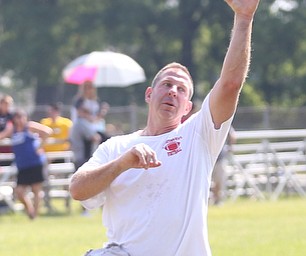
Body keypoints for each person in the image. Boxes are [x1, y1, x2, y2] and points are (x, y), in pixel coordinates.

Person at [69, 1, 260, 255]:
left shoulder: (198, 136)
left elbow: (230, 85)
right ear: (149, 94)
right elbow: (78, 190)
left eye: (181, 89)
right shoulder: (116, 147)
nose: (173, 91)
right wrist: (122, 163)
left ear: (187, 108)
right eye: (167, 84)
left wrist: (244, 18)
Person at [10, 109, 53, 219]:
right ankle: (30, 210)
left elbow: (47, 131)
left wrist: (39, 146)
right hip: (22, 165)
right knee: (19, 191)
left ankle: (34, 215)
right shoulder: (13, 130)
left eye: (21, 117)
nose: (19, 120)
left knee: (36, 190)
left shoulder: (29, 126)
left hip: (35, 162)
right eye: (17, 118)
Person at [211, 126, 236, 205]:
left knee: (219, 181)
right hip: (210, 156)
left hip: (219, 156)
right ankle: (214, 200)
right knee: (217, 180)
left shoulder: (224, 122)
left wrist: (230, 147)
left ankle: (217, 200)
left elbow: (232, 136)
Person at [0, 94, 14, 164]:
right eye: (5, 104)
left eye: (9, 104)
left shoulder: (12, 116)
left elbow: (12, 130)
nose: (7, 106)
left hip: (8, 147)